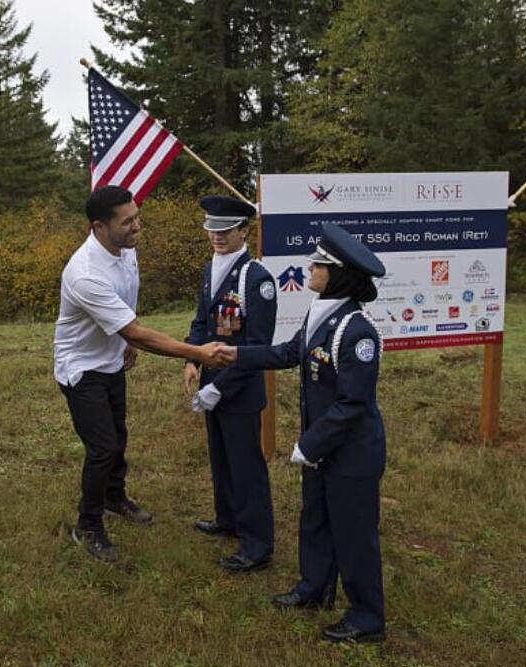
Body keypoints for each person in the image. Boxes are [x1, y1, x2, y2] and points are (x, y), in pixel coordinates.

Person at [220, 222, 388, 643]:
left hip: (350, 455)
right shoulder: (322, 314)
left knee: (354, 534)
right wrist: (234, 354)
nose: (309, 267)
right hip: (323, 450)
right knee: (316, 518)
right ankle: (315, 589)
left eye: (318, 263)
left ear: (338, 274)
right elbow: (288, 353)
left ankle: (367, 619)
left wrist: (308, 444)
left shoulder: (356, 330)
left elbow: (353, 404)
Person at [54, 184, 230, 562]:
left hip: (112, 359)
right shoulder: (85, 273)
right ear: (98, 227)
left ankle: (115, 497)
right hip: (81, 367)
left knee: (118, 435)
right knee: (101, 447)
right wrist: (196, 352)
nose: (137, 227)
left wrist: (124, 341)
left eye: (137, 217)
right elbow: (134, 330)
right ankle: (88, 525)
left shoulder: (124, 249)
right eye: (127, 221)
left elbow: (125, 314)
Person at [182, 195, 277, 573]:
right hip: (211, 383)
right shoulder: (211, 270)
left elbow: (257, 346)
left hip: (238, 390)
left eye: (224, 231)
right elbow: (201, 322)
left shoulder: (257, 278)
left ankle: (256, 545)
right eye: (211, 229)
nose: (216, 237)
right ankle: (228, 519)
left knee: (246, 466)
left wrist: (219, 388)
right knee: (220, 459)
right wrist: (191, 358)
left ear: (244, 230)